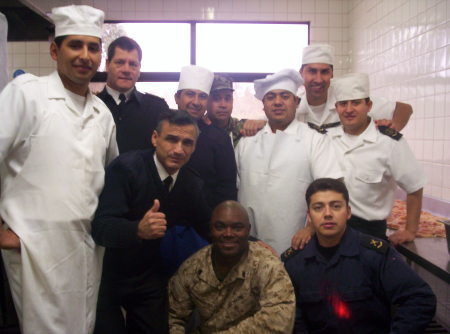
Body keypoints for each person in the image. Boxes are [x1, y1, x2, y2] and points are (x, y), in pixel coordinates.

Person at [0, 5, 118, 334]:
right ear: (54, 50)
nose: (85, 55)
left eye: (93, 47)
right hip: (34, 251)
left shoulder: (102, 114)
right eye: (75, 45)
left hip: (86, 248)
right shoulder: (25, 95)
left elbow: (109, 180)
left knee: (82, 325)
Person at [92, 110, 211, 334]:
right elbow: (100, 228)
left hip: (149, 276)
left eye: (187, 143)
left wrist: (251, 242)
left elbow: (207, 225)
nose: (178, 149)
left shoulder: (190, 182)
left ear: (194, 148)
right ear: (155, 138)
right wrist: (137, 229)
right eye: (171, 139)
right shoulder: (126, 169)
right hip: (107, 275)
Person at [283, 178, 436, 334]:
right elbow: (294, 317)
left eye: (336, 206)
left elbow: (420, 299)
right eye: (318, 207)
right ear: (309, 215)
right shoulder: (294, 263)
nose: (327, 214)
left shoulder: (375, 255)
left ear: (348, 212)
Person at [235, 69, 342, 255]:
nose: (277, 102)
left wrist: (310, 229)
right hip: (249, 243)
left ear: (296, 102)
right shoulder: (246, 143)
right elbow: (235, 189)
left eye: (285, 96)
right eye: (271, 97)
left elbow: (331, 191)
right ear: (263, 105)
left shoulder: (315, 140)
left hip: (297, 243)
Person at [169, 200, 295, 333]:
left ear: (248, 230)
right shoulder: (192, 268)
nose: (228, 234)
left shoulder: (268, 266)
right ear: (211, 229)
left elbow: (279, 321)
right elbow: (173, 317)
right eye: (220, 227)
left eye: (237, 227)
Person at [327, 72, 425, 244]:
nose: (349, 109)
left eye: (356, 103)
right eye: (343, 104)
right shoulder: (325, 138)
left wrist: (411, 230)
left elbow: (414, 186)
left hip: (369, 233)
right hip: (328, 231)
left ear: (369, 105)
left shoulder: (389, 142)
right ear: (336, 108)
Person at [297, 43, 412, 132]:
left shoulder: (345, 96)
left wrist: (392, 129)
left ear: (332, 74)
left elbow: (404, 109)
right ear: (301, 73)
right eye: (312, 71)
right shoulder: (294, 106)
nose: (318, 79)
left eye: (324, 72)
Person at [174, 65, 237, 208]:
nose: (196, 102)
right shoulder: (162, 130)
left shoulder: (219, 138)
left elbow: (227, 188)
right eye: (190, 94)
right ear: (177, 98)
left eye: (202, 96)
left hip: (205, 220)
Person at [97, 36, 170, 153]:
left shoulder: (157, 108)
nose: (126, 69)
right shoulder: (92, 105)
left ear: (139, 68)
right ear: (107, 65)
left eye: (133, 64)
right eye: (120, 62)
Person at [205, 74, 265, 147]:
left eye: (228, 98)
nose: (223, 105)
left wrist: (262, 123)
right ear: (206, 101)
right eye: (216, 98)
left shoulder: (242, 128)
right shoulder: (196, 129)